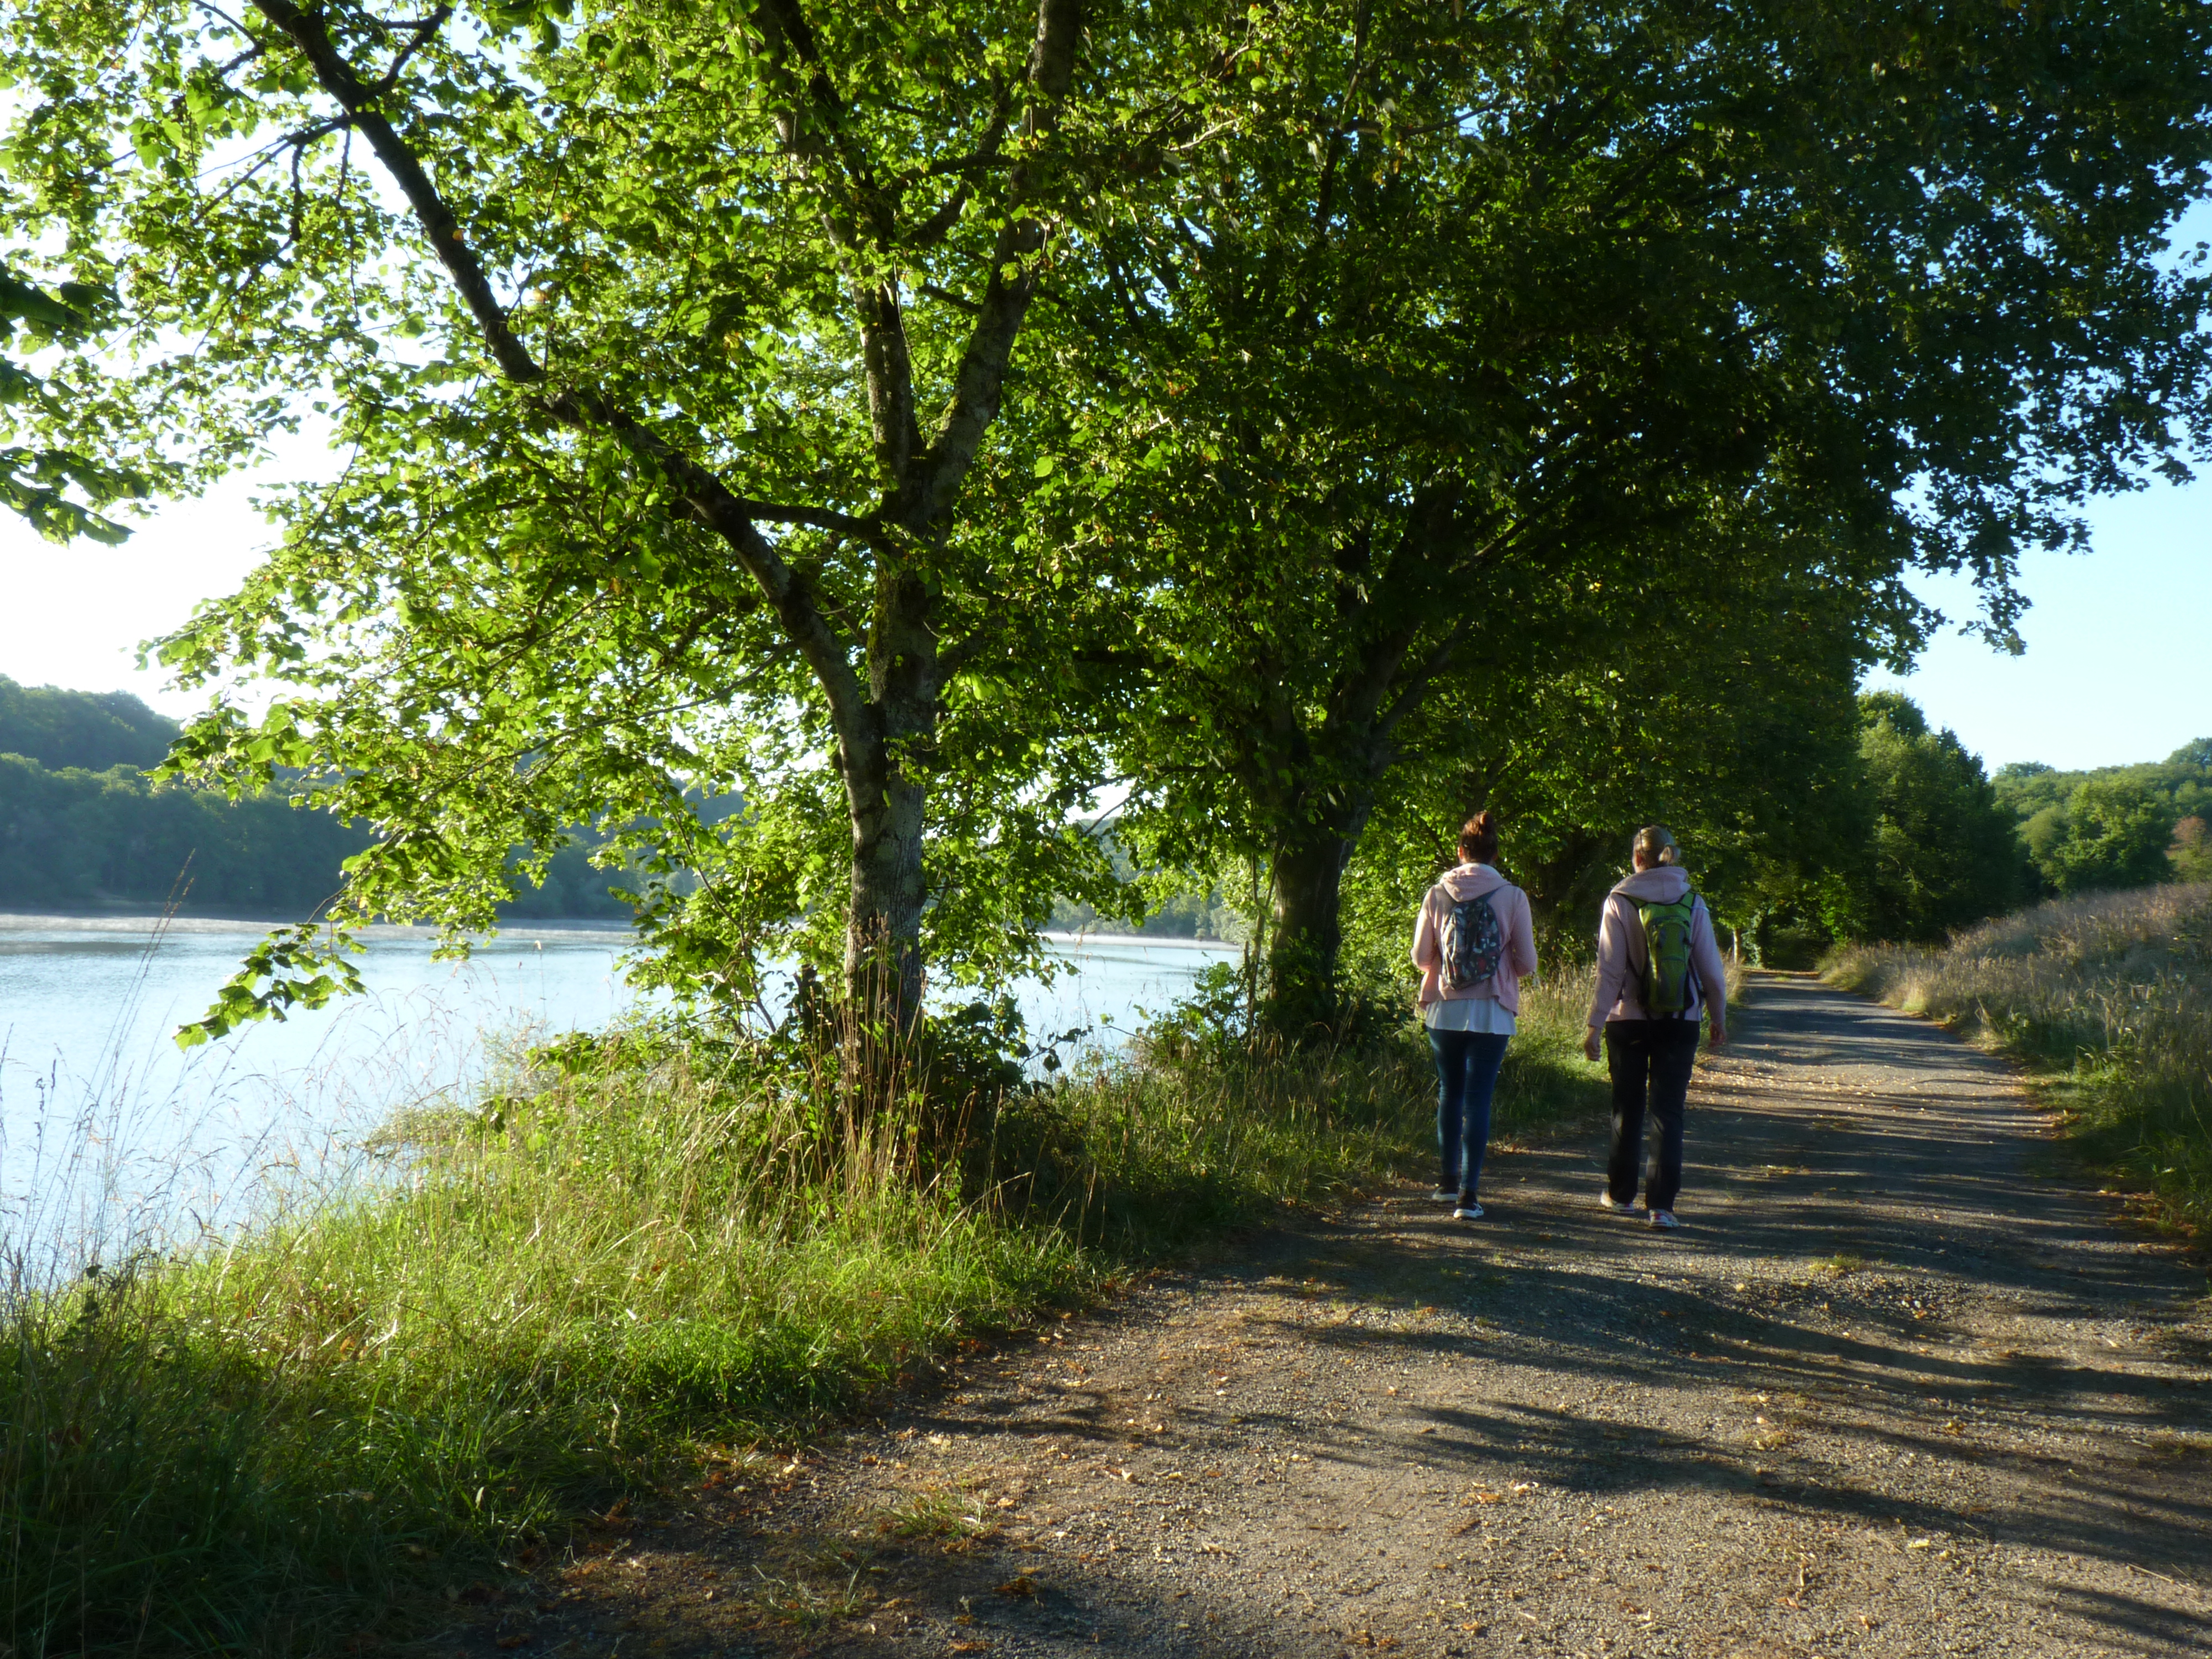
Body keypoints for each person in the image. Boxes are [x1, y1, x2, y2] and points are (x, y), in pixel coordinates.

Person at [1582, 825, 1729, 1229]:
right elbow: (1711, 972)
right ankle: (1662, 1208)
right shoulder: (1693, 900)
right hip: (1681, 1020)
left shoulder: (1619, 900)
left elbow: (1609, 971)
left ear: (1637, 858)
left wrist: (1594, 1025)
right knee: (1668, 1110)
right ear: (1670, 855)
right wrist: (1718, 1018)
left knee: (1626, 1107)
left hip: (1627, 1020)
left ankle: (1620, 1196)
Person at [1411, 810, 1538, 1223]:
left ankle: (1447, 1183)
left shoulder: (1437, 893)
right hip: (1492, 1011)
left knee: (1450, 1093)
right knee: (1479, 1099)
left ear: (1460, 851)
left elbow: (1420, 957)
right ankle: (1469, 1197)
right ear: (1496, 855)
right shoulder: (1513, 896)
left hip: (1444, 1007)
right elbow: (1528, 963)